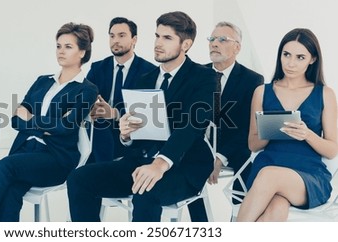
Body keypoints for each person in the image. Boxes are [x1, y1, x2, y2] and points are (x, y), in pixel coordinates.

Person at [67, 11, 217, 222]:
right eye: (157, 36)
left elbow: (193, 125)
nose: (158, 43)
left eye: (167, 38)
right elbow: (138, 135)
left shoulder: (204, 77)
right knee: (79, 178)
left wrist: (160, 164)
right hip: (141, 162)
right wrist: (126, 135)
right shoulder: (145, 79)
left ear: (186, 45)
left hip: (184, 165)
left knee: (145, 191)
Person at [0, 22, 98, 222]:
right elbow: (15, 119)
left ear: (82, 52)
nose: (61, 51)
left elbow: (66, 127)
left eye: (68, 47)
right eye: (58, 46)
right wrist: (46, 126)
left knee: (4, 166)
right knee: (10, 190)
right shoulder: (42, 81)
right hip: (26, 151)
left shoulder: (86, 90)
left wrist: (31, 120)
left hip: (56, 158)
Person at [236, 28, 338, 222]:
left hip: (307, 175)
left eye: (300, 57)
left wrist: (307, 134)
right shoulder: (262, 92)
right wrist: (271, 129)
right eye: (286, 55)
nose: (291, 63)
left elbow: (332, 149)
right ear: (280, 55)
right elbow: (253, 145)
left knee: (269, 176)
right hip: (268, 166)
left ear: (313, 59)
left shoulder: (325, 93)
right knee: (276, 210)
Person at [187, 21, 264, 222]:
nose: (214, 44)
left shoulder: (252, 80)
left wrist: (220, 158)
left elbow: (247, 127)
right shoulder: (197, 74)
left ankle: (238, 220)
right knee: (186, 167)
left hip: (236, 146)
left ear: (237, 47)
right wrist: (206, 153)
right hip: (200, 144)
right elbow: (190, 120)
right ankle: (202, 226)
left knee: (249, 166)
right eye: (212, 39)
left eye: (222, 40)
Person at [87, 17, 155, 164]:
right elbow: (84, 97)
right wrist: (91, 109)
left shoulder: (149, 72)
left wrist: (114, 113)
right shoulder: (97, 68)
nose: (115, 40)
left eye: (121, 35)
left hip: (129, 133)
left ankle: (101, 172)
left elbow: (147, 112)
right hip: (98, 130)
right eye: (112, 36)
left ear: (134, 39)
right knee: (98, 123)